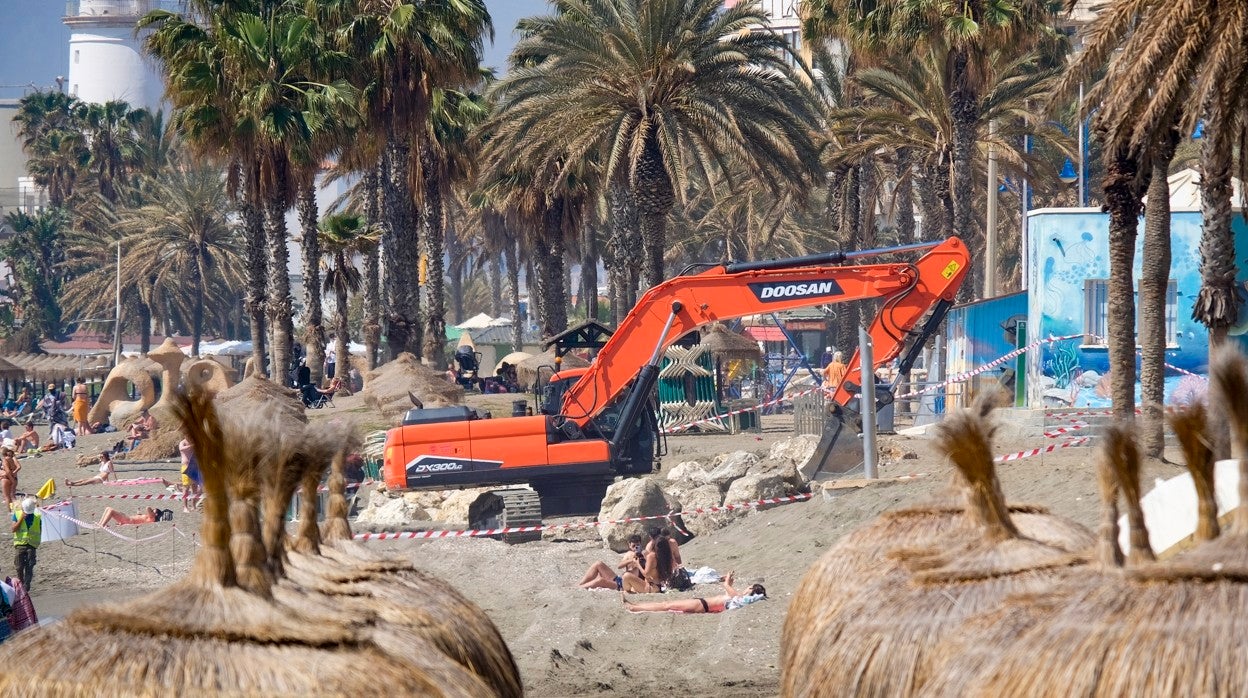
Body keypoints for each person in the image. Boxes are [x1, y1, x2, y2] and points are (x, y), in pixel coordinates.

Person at [622, 571, 766, 614]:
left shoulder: (740, 597)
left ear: (752, 590)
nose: (747, 587)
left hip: (702, 604)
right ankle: (636, 606)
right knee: (667, 605)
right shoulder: (739, 598)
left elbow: (726, 586)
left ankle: (635, 607)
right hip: (704, 605)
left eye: (749, 587)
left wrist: (728, 580)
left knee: (667, 605)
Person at [579, 534, 648, 591]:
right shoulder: (628, 554)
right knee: (598, 564)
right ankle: (581, 584)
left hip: (626, 584)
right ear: (629, 545)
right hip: (620, 580)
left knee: (600, 580)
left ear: (640, 545)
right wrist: (631, 560)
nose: (635, 548)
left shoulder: (644, 554)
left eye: (637, 546)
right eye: (633, 546)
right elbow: (619, 566)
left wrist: (641, 557)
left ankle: (580, 588)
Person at [621, 527, 676, 593]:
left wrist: (638, 564)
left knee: (626, 576)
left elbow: (646, 574)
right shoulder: (666, 555)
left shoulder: (651, 556)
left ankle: (627, 592)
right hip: (659, 585)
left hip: (651, 587)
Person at [12, 498, 40, 592]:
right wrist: (20, 519)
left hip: (31, 545)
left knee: (29, 566)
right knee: (19, 567)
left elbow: (39, 530)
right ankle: (21, 583)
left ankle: (26, 586)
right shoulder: (17, 514)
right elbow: (13, 529)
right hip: (20, 545)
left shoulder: (37, 517)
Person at [179, 438, 202, 512]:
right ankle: (185, 507)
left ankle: (194, 505)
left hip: (194, 467)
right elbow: (182, 449)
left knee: (194, 487)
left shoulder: (194, 442)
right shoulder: (183, 443)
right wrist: (192, 445)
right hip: (186, 467)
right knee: (186, 488)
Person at [97, 506, 172, 527]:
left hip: (129, 520)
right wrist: (138, 512)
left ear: (155, 514)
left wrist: (152, 510)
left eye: (153, 511)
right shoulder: (149, 517)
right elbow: (140, 517)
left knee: (111, 510)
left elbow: (147, 508)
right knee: (108, 508)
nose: (152, 510)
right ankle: (100, 523)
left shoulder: (152, 517)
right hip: (128, 519)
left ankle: (102, 525)